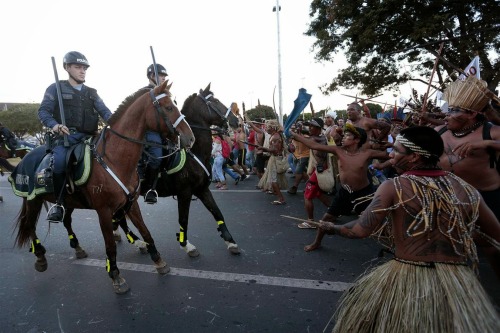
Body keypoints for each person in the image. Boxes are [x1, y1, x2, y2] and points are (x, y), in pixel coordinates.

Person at [312, 126, 500, 332]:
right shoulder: (465, 189)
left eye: (398, 150)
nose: (391, 154)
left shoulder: (396, 186)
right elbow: (496, 234)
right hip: (456, 283)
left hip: (408, 276)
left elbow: (359, 230)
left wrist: (331, 227)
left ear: (414, 157)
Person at [435, 76, 500, 277]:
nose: (447, 114)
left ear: (472, 113)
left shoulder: (491, 132)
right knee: (446, 242)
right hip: (451, 195)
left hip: (487, 195)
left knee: (492, 245)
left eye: (454, 110)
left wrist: (486, 144)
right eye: (449, 109)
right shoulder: (439, 131)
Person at [38, 51, 112, 222]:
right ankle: (59, 203)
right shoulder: (55, 88)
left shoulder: (92, 93)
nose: (82, 71)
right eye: (78, 67)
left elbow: (106, 113)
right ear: (67, 68)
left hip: (90, 137)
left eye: (84, 68)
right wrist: (55, 125)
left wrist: (117, 123)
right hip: (66, 137)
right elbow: (43, 111)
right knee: (60, 163)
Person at [290, 123, 388, 250]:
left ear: (357, 140)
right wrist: (294, 135)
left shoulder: (367, 153)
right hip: (345, 193)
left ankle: (395, 245)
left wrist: (388, 152)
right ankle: (317, 243)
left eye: (347, 135)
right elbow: (313, 145)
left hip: (365, 194)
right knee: (326, 218)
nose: (343, 137)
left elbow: (391, 156)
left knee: (376, 220)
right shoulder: (338, 150)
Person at [142, 63, 168, 204]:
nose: (164, 78)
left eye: (164, 76)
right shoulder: (144, 92)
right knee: (157, 157)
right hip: (150, 132)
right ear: (152, 76)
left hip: (166, 132)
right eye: (161, 75)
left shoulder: (165, 93)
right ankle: (149, 189)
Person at [259, 119, 287, 204]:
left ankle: (281, 199)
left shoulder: (275, 137)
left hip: (275, 159)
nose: (266, 129)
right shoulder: (275, 135)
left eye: (267, 127)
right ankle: (277, 194)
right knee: (273, 179)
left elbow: (275, 150)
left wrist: (263, 148)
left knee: (273, 180)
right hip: (275, 158)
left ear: (272, 128)